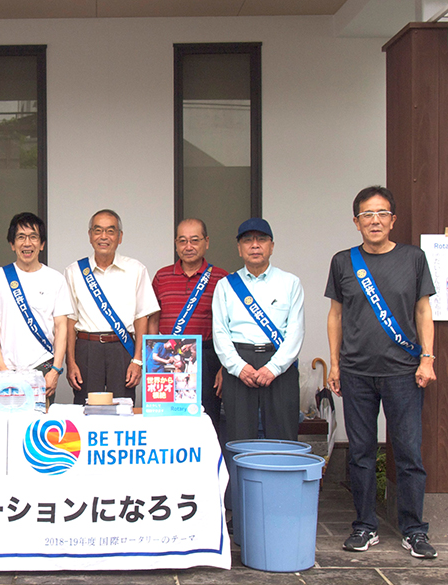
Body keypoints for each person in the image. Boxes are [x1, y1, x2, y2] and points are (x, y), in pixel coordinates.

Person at [326, 186, 437, 559]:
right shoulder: (344, 261)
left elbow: (423, 311)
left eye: (381, 213)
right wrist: (336, 363)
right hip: (356, 372)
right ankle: (365, 525)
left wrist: (427, 358)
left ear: (393, 219)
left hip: (403, 371)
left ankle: (413, 529)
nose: (374, 220)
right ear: (356, 222)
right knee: (360, 452)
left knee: (407, 452)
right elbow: (336, 316)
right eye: (367, 215)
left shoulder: (413, 258)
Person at [212, 217, 304, 442]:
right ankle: (241, 479)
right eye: (248, 240)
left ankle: (282, 478)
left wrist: (273, 368)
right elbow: (220, 332)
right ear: (239, 248)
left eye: (262, 240)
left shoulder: (290, 283)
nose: (255, 245)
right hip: (239, 363)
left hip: (279, 363)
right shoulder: (225, 285)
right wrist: (239, 367)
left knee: (284, 436)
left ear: (271, 246)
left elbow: (295, 332)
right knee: (239, 437)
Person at [65, 210, 160, 404]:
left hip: (122, 348)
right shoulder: (74, 271)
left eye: (110, 231)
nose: (104, 236)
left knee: (123, 410)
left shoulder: (136, 269)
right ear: (90, 235)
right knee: (86, 410)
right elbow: (69, 321)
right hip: (87, 348)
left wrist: (138, 360)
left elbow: (142, 318)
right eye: (98, 230)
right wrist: (71, 362)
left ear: (120, 237)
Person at [149, 218, 228, 432]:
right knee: (165, 420)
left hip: (206, 358)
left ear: (207, 242)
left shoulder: (222, 278)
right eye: (183, 241)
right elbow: (152, 318)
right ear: (176, 244)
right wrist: (151, 353)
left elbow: (230, 327)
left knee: (205, 420)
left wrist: (224, 367)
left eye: (195, 240)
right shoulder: (162, 276)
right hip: (168, 358)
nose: (189, 246)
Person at [0, 213, 71, 400]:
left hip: (43, 367)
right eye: (21, 237)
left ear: (42, 244)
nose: (27, 243)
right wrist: (0, 368)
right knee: (5, 426)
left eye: (33, 237)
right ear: (12, 244)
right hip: (6, 367)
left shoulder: (56, 279)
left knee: (39, 427)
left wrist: (55, 369)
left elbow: (61, 327)